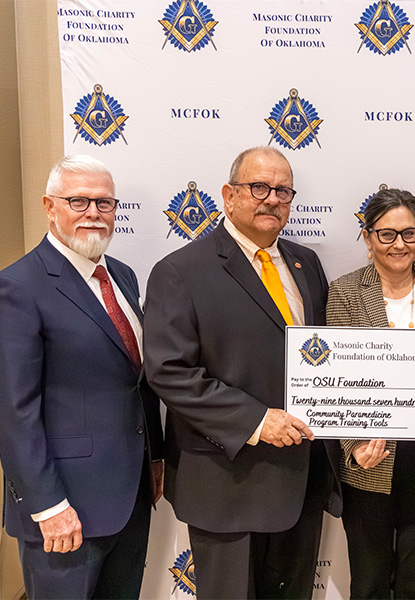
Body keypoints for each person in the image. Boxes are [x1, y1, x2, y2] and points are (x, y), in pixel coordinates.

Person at [143, 146, 341, 599]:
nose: (272, 198)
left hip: (301, 480)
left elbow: (325, 359)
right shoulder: (180, 271)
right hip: (227, 483)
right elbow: (170, 371)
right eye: (259, 187)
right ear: (228, 196)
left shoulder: (305, 263)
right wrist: (256, 420)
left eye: (283, 190)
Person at [0, 155, 163, 599]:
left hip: (130, 495)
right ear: (50, 206)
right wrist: (47, 505)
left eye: (104, 203)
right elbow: (12, 411)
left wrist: (156, 457)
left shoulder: (121, 275)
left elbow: (135, 380)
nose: (93, 214)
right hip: (65, 509)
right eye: (78, 201)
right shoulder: (16, 287)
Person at [326, 188, 415, 599]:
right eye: (387, 234)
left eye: (409, 233)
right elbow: (337, 379)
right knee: (368, 582)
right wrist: (354, 445)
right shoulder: (345, 293)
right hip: (369, 460)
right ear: (368, 237)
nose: (399, 245)